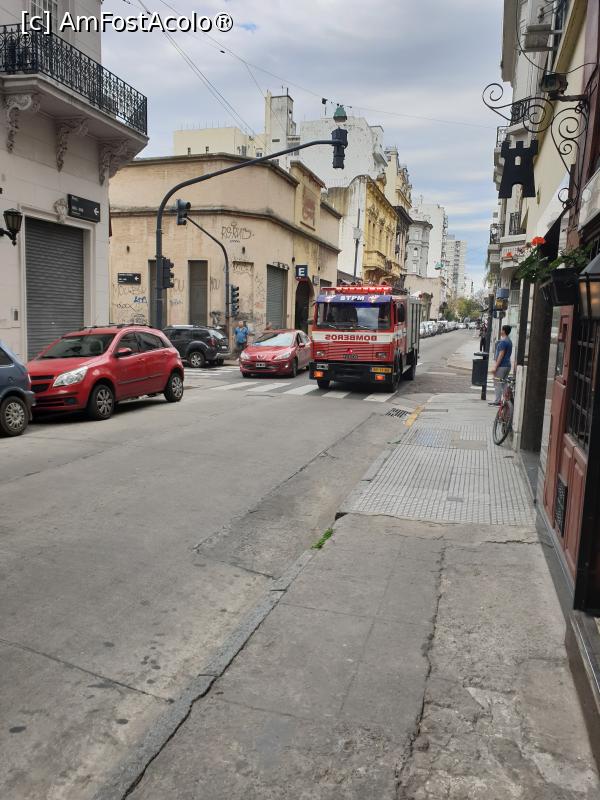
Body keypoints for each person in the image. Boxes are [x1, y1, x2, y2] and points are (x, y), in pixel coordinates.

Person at [489, 325, 513, 406]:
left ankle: (497, 401)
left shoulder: (503, 342)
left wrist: (495, 367)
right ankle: (506, 400)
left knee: (497, 383)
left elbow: (501, 355)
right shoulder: (509, 341)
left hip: (502, 366)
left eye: (502, 330)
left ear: (504, 331)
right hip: (507, 365)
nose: (500, 331)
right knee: (504, 383)